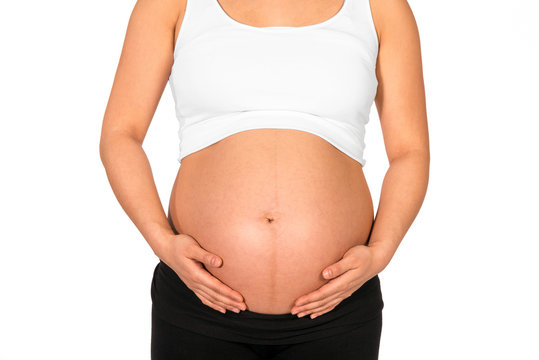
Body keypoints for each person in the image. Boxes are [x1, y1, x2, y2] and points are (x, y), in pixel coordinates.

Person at [99, 0, 429, 358]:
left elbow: (409, 151)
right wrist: (162, 243)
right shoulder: (171, 5)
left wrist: (381, 251)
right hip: (199, 305)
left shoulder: (381, 8)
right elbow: (121, 135)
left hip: (337, 309)